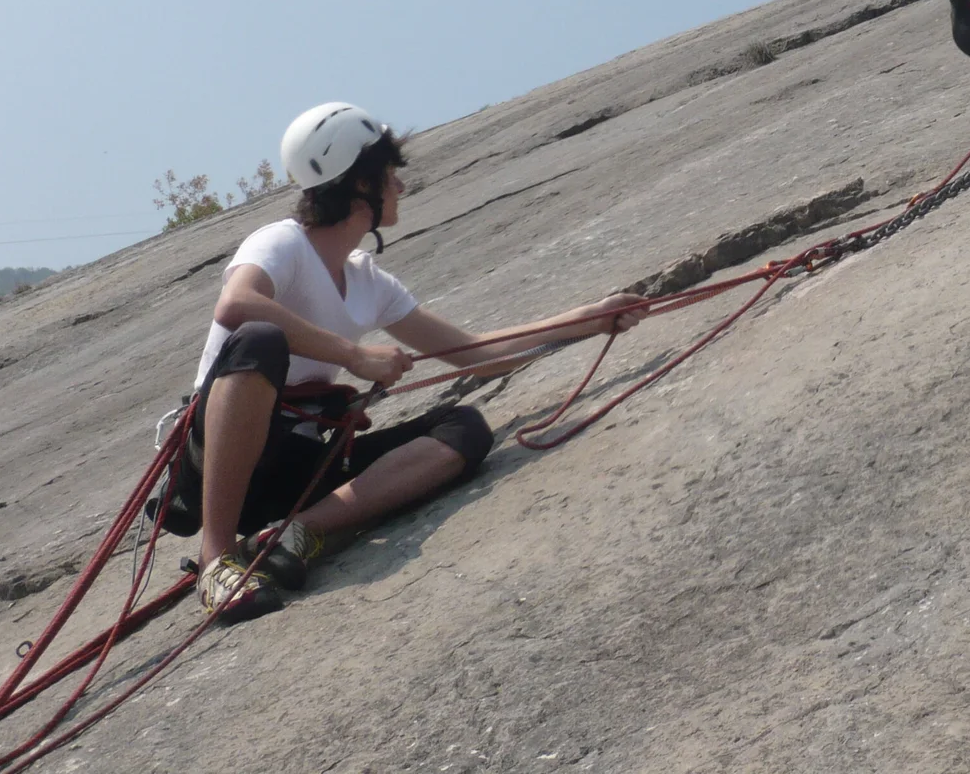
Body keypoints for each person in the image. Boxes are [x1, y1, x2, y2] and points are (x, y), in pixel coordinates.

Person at [183, 102, 647, 620]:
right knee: (259, 340)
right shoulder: (280, 243)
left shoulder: (366, 282)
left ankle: (293, 534)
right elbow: (236, 305)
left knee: (463, 429)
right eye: (389, 176)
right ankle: (215, 559)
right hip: (227, 464)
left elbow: (475, 355)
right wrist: (354, 356)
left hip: (298, 467)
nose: (399, 188)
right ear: (360, 184)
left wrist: (588, 318)